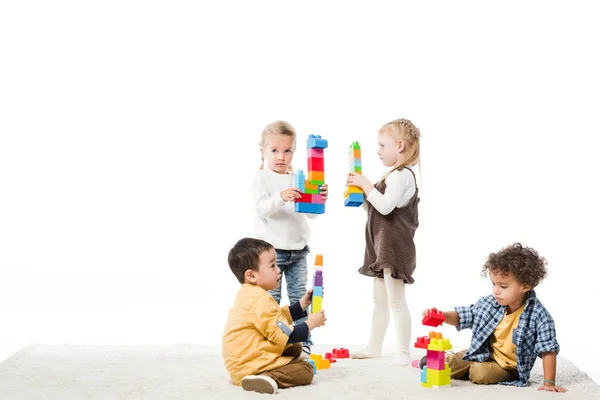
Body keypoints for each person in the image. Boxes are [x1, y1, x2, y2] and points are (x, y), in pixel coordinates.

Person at [422, 243, 567, 392]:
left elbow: (547, 349)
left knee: (479, 374)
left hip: (509, 368)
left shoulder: (539, 315)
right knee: (447, 365)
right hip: (484, 353)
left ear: (525, 286)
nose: (496, 291)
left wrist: (549, 382)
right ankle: (450, 359)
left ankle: (467, 366)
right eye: (494, 284)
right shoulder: (489, 303)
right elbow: (465, 316)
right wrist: (442, 316)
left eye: (503, 286)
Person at [346, 118, 421, 365]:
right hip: (381, 247)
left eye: (382, 145)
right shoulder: (393, 175)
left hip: (395, 248)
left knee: (396, 301)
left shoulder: (402, 175)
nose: (377, 151)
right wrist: (361, 193)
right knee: (380, 300)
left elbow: (387, 208)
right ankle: (374, 346)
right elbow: (376, 208)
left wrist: (366, 184)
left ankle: (403, 352)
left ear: (399, 145)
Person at [252, 120, 328, 357]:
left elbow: (309, 215)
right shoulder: (262, 177)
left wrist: (318, 198)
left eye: (287, 151)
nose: (281, 157)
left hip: (298, 250)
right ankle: (273, 342)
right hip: (271, 253)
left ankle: (303, 343)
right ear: (262, 151)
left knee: (299, 298)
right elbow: (262, 208)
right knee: (271, 301)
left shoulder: (298, 177)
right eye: (274, 150)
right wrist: (282, 196)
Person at [222, 237, 327, 394]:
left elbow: (277, 317)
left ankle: (259, 373)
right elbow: (282, 334)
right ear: (251, 275)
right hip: (250, 364)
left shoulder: (250, 294)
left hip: (245, 360)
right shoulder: (259, 299)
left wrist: (302, 304)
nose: (278, 269)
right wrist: (310, 324)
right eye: (272, 266)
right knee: (305, 369)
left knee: (294, 349)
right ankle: (264, 377)